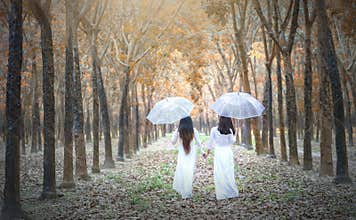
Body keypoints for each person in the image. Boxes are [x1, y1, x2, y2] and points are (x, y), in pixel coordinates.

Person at [204, 116, 239, 200]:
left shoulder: (214, 130)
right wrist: (235, 134)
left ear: (220, 120)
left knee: (219, 172)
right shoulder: (230, 130)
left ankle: (221, 193)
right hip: (227, 152)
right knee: (229, 172)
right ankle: (231, 192)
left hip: (219, 152)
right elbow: (232, 142)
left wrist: (207, 153)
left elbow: (210, 143)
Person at [171, 116, 203, 199]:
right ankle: (187, 191)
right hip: (191, 154)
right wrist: (203, 152)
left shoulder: (178, 131)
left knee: (182, 171)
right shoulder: (194, 131)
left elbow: (173, 142)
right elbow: (199, 143)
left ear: (181, 123)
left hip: (182, 154)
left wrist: (175, 132)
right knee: (189, 171)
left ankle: (184, 191)